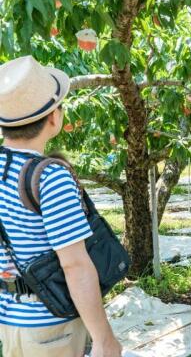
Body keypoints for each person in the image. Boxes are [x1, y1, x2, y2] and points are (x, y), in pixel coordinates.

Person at [0, 56, 122, 357]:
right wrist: (104, 339)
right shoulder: (49, 177)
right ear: (54, 117)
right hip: (51, 326)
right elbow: (75, 265)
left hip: (11, 321)